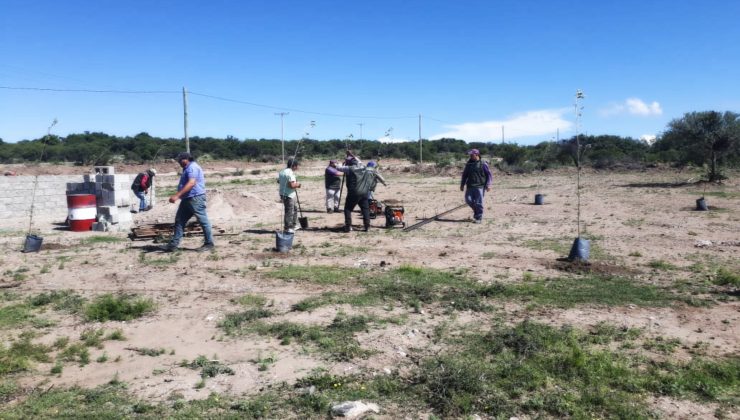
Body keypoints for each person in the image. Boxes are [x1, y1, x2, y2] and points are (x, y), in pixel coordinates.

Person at [162, 152, 215, 252]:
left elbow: (191, 183)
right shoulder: (187, 168)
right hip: (187, 199)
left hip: (195, 198)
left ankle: (209, 243)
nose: (179, 163)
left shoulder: (192, 168)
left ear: (185, 159)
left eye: (180, 160)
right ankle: (173, 245)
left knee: (203, 221)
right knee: (179, 221)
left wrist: (177, 195)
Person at [460, 148, 492, 224]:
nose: (470, 156)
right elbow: (464, 175)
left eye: (472, 155)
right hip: (470, 186)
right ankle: (476, 211)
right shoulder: (469, 164)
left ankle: (479, 217)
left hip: (480, 186)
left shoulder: (483, 163)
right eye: (470, 155)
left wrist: (488, 185)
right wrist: (462, 184)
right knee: (468, 200)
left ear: (477, 154)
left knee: (478, 202)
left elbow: (489, 175)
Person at [278, 158, 301, 233]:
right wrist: (298, 185)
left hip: (284, 193)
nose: (297, 167)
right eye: (297, 166)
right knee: (289, 211)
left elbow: (278, 181)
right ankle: (288, 227)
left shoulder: (282, 172)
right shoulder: (290, 173)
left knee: (294, 209)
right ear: (294, 166)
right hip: (289, 195)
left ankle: (294, 225)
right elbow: (292, 185)